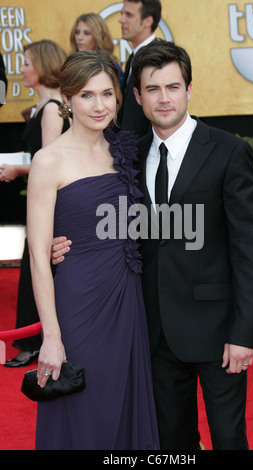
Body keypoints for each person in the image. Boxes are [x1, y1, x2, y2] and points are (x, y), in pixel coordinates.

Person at [52, 40, 253, 450]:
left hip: (217, 329)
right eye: (152, 89)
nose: (163, 98)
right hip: (152, 330)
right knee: (171, 443)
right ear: (135, 96)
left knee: (228, 438)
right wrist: (59, 246)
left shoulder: (228, 151)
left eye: (172, 86)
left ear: (189, 89)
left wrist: (244, 333)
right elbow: (104, 220)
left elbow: (250, 250)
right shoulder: (128, 154)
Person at [27, 50, 159, 450]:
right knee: (84, 409)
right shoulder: (48, 161)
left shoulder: (126, 151)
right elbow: (36, 256)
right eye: (87, 95)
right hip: (80, 301)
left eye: (107, 94)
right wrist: (51, 335)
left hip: (126, 294)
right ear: (67, 98)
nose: (99, 105)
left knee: (124, 400)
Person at [2, 40, 70, 368]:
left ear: (42, 65)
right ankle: (32, 341)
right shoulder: (47, 105)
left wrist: (16, 168)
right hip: (43, 201)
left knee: (38, 268)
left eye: (27, 63)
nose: (22, 69)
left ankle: (34, 343)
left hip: (51, 205)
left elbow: (50, 164)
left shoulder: (53, 108)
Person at [117, 0, 161, 136]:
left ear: (147, 21)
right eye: (122, 14)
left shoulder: (158, 57)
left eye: (128, 15)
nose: (121, 20)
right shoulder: (134, 55)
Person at [69, 13, 124, 86]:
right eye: (77, 32)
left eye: (86, 33)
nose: (79, 37)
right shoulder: (70, 64)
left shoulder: (111, 67)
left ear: (98, 37)